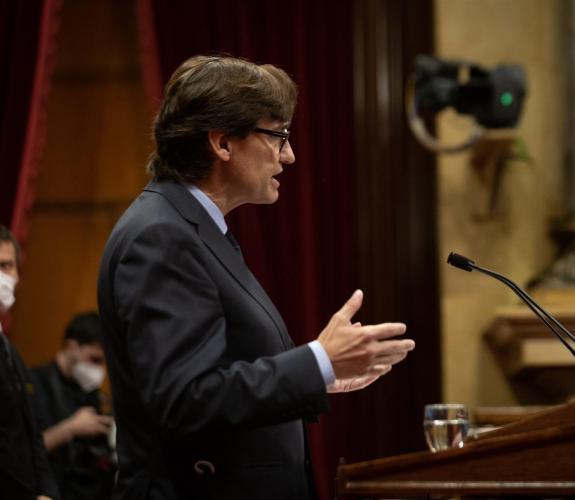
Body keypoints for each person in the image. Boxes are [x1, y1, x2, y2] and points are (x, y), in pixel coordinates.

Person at [97, 55, 416, 500]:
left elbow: (226, 374)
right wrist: (317, 361)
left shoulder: (194, 227)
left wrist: (323, 375)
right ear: (223, 142)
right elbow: (186, 399)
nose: (289, 155)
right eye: (278, 135)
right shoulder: (162, 236)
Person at [0, 224, 59, 500]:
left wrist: (46, 491)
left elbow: (31, 432)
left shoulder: (11, 351)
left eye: (7, 266)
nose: (5, 276)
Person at [29, 312, 115, 500]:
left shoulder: (90, 391)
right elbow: (23, 452)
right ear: (71, 347)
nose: (100, 370)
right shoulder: (33, 384)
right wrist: (71, 428)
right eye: (94, 359)